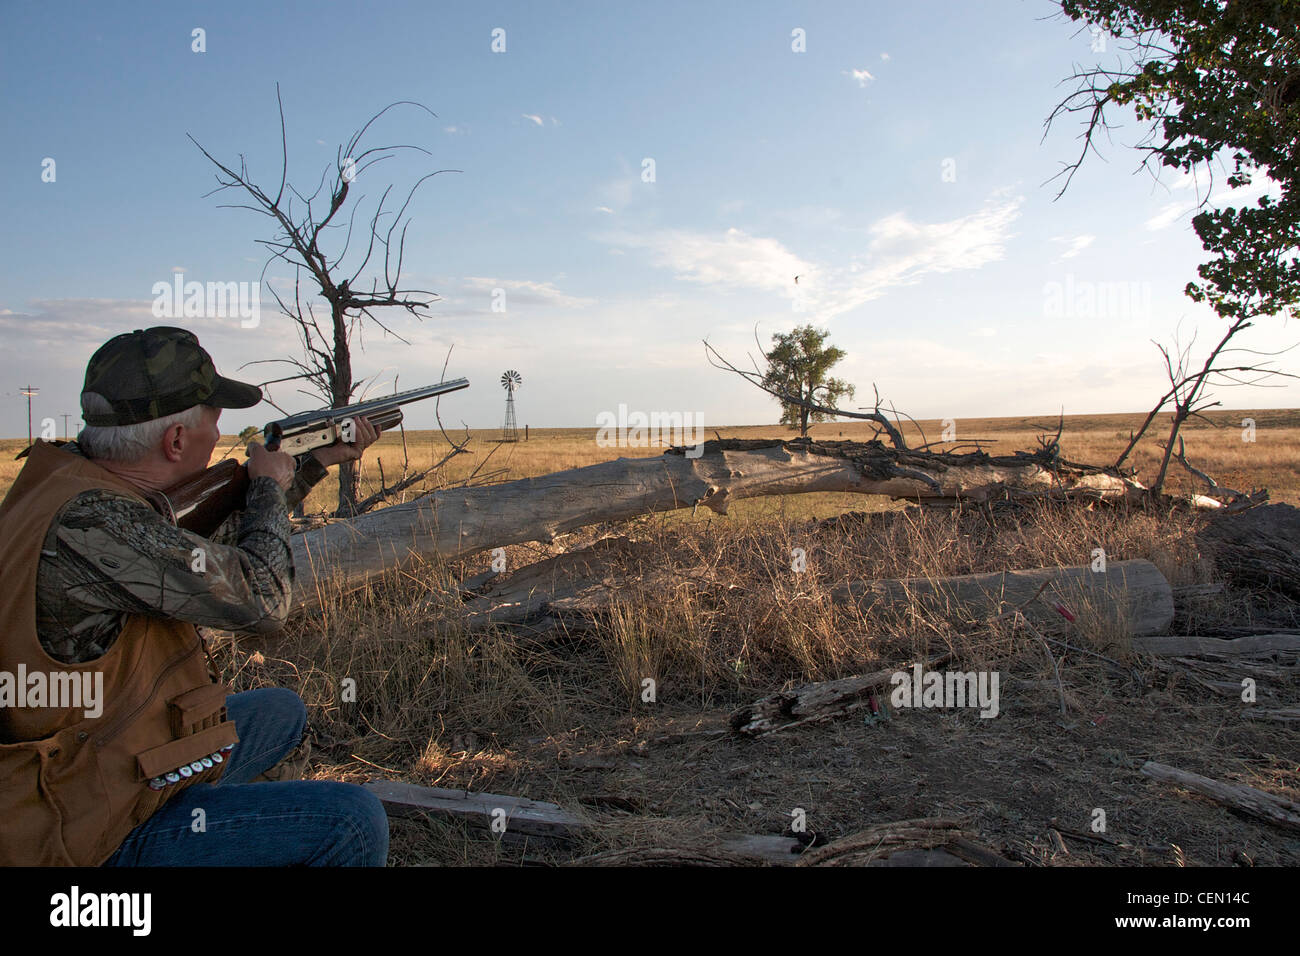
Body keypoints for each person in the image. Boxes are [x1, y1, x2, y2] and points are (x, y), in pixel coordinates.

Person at [0, 326, 389, 866]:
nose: (222, 434)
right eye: (214, 420)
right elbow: (263, 603)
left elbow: (201, 558)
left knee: (280, 711)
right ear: (176, 441)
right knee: (354, 820)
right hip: (84, 829)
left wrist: (312, 461)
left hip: (105, 755)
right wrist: (267, 488)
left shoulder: (70, 481)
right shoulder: (96, 522)